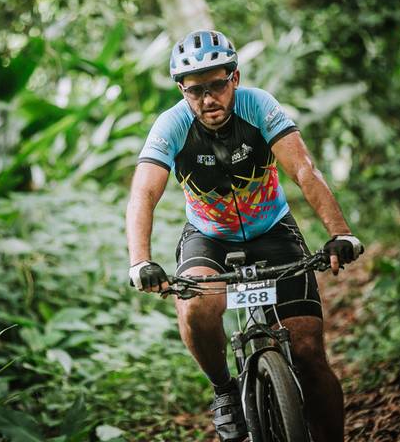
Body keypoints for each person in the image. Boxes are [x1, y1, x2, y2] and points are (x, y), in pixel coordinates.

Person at [125, 29, 363, 442]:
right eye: (195, 90)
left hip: (272, 229)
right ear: (182, 90)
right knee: (196, 306)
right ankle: (224, 390)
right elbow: (143, 193)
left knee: (308, 353)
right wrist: (140, 260)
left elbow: (303, 169)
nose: (207, 99)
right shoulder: (172, 124)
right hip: (208, 236)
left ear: (234, 78)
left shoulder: (259, 106)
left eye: (217, 85)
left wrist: (340, 233)